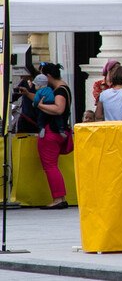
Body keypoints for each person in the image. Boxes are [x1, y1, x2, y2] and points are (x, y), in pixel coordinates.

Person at [34, 63, 71, 210]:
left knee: (50, 166)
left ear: (48, 77)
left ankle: (58, 198)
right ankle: (60, 197)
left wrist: (40, 106)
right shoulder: (63, 88)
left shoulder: (59, 91)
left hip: (51, 132)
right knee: (52, 166)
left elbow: (58, 109)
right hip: (57, 131)